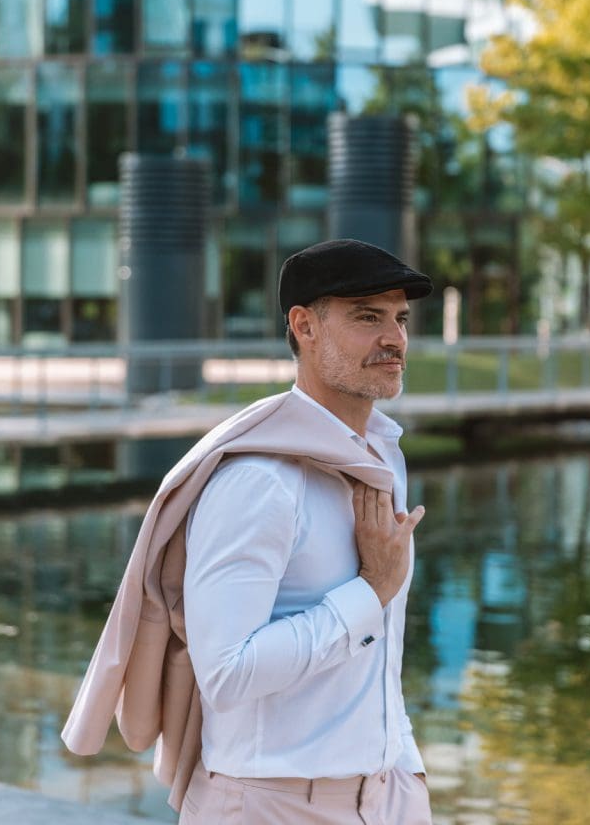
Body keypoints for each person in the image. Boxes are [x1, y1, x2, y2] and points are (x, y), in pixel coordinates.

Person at [61, 239, 433, 825]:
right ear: (304, 326)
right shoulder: (259, 481)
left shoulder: (383, 454)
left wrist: (403, 768)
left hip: (387, 798)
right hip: (273, 805)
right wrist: (369, 593)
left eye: (400, 318)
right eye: (367, 316)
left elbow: (379, 660)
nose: (394, 338)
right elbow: (226, 672)